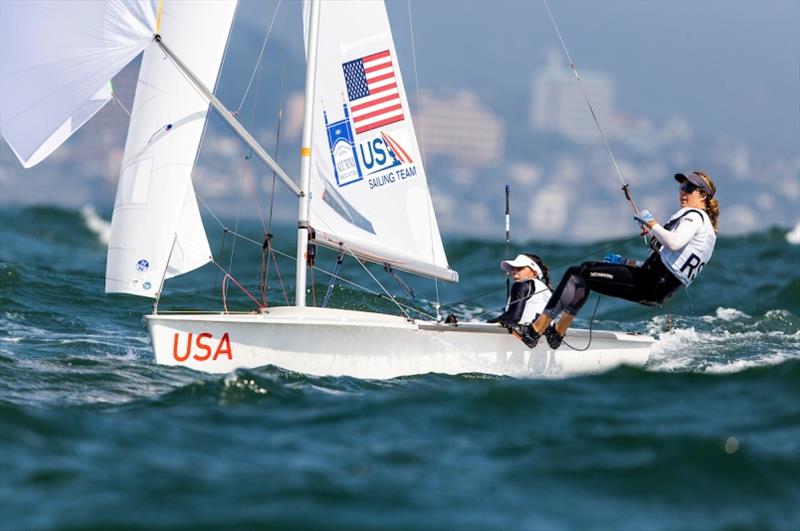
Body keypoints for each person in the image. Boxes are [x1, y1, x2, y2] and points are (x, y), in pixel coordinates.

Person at [522, 170, 719, 349]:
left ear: (703, 195)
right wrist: (626, 263)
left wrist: (651, 223)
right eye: (682, 187)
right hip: (658, 286)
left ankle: (535, 330)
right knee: (585, 270)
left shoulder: (694, 216)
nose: (683, 191)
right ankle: (557, 332)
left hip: (652, 282)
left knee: (576, 274)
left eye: (690, 188)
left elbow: (674, 243)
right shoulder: (706, 228)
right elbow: (670, 262)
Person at [488, 253, 553, 328]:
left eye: (519, 268)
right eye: (513, 269)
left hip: (525, 334)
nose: (514, 272)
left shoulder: (522, 284)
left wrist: (489, 322)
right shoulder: (545, 289)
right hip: (546, 334)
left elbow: (512, 318)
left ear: (534, 273)